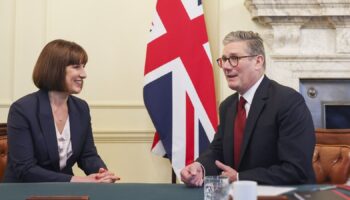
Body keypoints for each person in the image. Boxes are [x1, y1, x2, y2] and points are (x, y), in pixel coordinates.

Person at [180, 31, 316, 186]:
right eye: (224, 59)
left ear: (258, 61)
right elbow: (217, 151)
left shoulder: (288, 101)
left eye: (234, 59)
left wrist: (239, 178)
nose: (225, 66)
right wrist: (199, 167)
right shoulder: (227, 106)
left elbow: (296, 170)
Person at [3, 39, 119, 183]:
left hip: (64, 190)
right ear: (55, 69)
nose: (84, 74)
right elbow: (25, 169)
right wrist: (77, 180)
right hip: (25, 190)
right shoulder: (22, 109)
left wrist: (101, 173)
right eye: (76, 67)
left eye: (83, 66)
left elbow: (87, 155)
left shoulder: (81, 108)